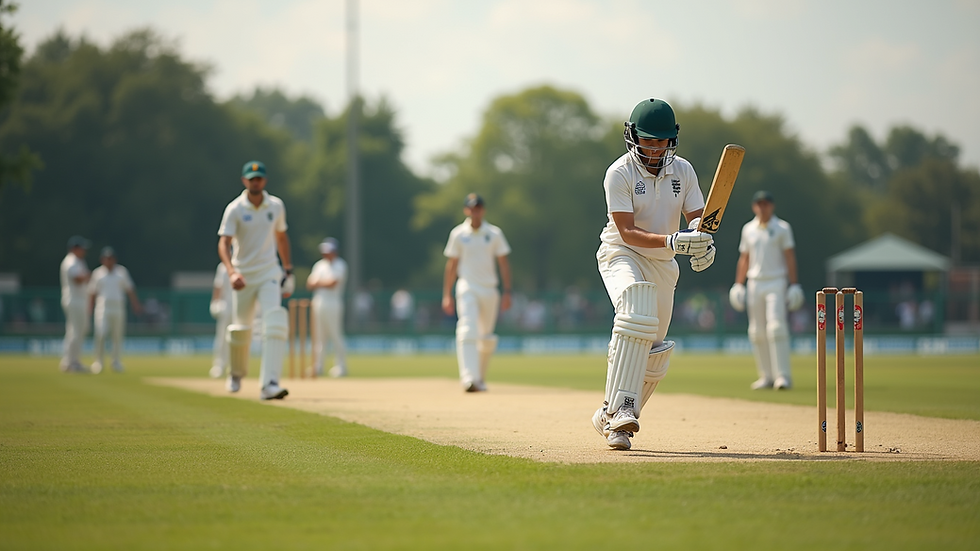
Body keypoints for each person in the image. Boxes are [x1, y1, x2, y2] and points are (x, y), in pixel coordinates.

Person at [592, 98, 716, 450]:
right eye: (648, 140)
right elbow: (628, 231)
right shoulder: (619, 173)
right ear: (633, 137)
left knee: (655, 348)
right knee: (636, 312)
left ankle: (609, 414)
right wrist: (674, 240)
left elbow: (698, 215)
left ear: (671, 140)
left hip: (663, 262)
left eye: (661, 141)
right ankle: (620, 415)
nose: (655, 148)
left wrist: (701, 240)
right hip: (622, 253)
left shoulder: (684, 171)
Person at [217, 160, 294, 400]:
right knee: (242, 329)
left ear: (265, 180)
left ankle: (269, 383)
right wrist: (231, 272)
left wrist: (288, 270)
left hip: (269, 272)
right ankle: (236, 373)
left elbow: (281, 237)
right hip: (243, 275)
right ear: (244, 181)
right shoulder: (235, 209)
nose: (255, 182)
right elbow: (224, 243)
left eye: (259, 178)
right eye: (251, 179)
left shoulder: (276, 206)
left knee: (274, 321)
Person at [729, 190, 804, 390]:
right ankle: (766, 376)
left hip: (776, 281)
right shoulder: (748, 229)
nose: (762, 207)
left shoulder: (782, 228)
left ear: (772, 206)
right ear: (754, 207)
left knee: (776, 327)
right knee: (756, 331)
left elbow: (789, 256)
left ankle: (783, 376)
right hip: (755, 282)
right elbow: (744, 258)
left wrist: (794, 284)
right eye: (759, 204)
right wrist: (738, 284)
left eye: (766, 204)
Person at [441, 193, 512, 392]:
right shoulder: (458, 234)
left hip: (489, 289)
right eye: (472, 208)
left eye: (478, 208)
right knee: (466, 327)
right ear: (466, 210)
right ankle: (468, 377)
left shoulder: (494, 233)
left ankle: (479, 379)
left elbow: (504, 264)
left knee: (486, 337)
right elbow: (452, 265)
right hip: (467, 286)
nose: (475, 212)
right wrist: (447, 294)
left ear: (483, 210)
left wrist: (507, 291)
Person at [88, 247, 142, 374]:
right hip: (103, 308)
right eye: (106, 258)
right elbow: (92, 292)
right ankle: (98, 362)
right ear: (102, 260)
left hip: (118, 307)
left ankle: (116, 362)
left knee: (117, 336)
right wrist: (89, 308)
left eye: (111, 258)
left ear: (114, 259)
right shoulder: (97, 273)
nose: (109, 261)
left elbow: (129, 289)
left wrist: (135, 304)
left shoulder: (121, 272)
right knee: (101, 334)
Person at [306, 237, 348, 377]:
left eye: (328, 251)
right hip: (318, 301)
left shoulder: (340, 265)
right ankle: (318, 366)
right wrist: (322, 283)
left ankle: (341, 366)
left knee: (335, 334)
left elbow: (333, 284)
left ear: (335, 251)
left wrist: (319, 283)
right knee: (319, 336)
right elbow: (309, 284)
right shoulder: (319, 265)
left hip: (333, 302)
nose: (326, 254)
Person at [59, 235, 91, 373]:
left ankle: (71, 361)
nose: (84, 250)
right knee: (75, 331)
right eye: (82, 248)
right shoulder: (71, 261)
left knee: (78, 330)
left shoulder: (78, 261)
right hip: (74, 300)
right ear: (75, 248)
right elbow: (77, 279)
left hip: (79, 300)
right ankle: (71, 362)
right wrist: (88, 276)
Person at [208, 263, 233, 378]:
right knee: (222, 337)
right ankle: (219, 366)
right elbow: (218, 287)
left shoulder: (247, 263)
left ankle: (235, 368)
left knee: (240, 339)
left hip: (243, 307)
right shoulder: (223, 267)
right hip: (226, 308)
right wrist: (215, 302)